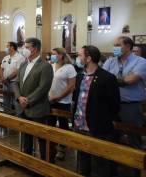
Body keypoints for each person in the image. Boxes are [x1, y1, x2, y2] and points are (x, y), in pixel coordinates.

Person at [73, 45, 120, 177]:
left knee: (101, 163)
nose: (78, 58)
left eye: (80, 55)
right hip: (80, 125)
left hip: (98, 126)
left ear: (88, 58)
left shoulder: (107, 77)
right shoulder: (80, 76)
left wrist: (103, 119)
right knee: (83, 159)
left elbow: (114, 105)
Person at [12, 37, 53, 160]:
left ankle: (45, 164)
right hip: (23, 108)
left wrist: (27, 100)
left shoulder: (45, 66)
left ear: (34, 49)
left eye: (27, 47)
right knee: (26, 137)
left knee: (41, 139)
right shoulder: (24, 64)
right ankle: (27, 161)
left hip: (37, 108)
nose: (24, 49)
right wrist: (19, 97)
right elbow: (16, 83)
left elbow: (43, 88)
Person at [103, 36, 146, 150]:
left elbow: (130, 80)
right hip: (112, 105)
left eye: (117, 45)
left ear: (127, 47)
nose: (114, 48)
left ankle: (137, 166)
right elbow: (102, 78)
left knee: (134, 138)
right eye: (114, 45)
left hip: (131, 105)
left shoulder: (141, 62)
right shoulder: (110, 61)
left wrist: (110, 80)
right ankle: (114, 165)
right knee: (112, 137)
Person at [48, 47, 77, 160]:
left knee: (63, 125)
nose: (52, 56)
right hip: (50, 100)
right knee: (50, 124)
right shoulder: (51, 66)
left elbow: (71, 86)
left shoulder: (69, 67)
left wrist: (59, 97)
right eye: (52, 54)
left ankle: (62, 149)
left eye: (54, 54)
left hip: (63, 101)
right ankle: (51, 146)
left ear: (61, 55)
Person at [1, 42, 25, 113]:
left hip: (14, 82)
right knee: (6, 102)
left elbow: (17, 71)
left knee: (16, 102)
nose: (6, 48)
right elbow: (1, 68)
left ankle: (18, 119)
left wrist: (7, 78)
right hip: (5, 83)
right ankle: (6, 118)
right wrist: (2, 78)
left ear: (12, 47)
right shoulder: (6, 57)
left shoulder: (20, 57)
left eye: (7, 46)